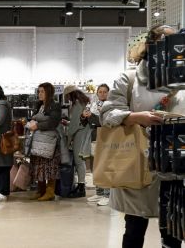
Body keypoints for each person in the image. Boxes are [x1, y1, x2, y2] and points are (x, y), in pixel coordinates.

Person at [101, 25, 183, 248]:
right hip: (139, 165)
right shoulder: (129, 79)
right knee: (135, 229)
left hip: (176, 168)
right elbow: (107, 113)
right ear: (150, 46)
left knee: (173, 233)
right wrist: (135, 117)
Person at [27, 82, 61, 201]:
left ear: (49, 92)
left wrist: (37, 125)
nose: (40, 94)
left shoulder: (54, 105)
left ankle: (50, 191)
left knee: (50, 166)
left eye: (42, 91)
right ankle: (40, 190)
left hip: (49, 141)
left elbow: (53, 122)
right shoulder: (38, 105)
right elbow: (33, 119)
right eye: (39, 91)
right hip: (38, 141)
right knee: (38, 165)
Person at [83, 84, 111, 206]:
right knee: (96, 167)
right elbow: (89, 122)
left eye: (105, 92)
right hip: (94, 138)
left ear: (108, 93)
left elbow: (105, 122)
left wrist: (93, 116)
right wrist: (84, 116)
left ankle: (107, 194)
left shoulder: (111, 106)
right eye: (100, 92)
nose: (102, 94)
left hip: (106, 138)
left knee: (105, 167)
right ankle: (99, 192)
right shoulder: (94, 104)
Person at [63, 85, 91, 198]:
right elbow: (77, 121)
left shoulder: (77, 104)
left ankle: (81, 188)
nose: (67, 98)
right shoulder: (83, 102)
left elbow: (74, 126)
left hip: (79, 135)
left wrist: (68, 140)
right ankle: (80, 186)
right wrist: (68, 123)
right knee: (81, 161)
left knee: (79, 161)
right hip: (84, 133)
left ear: (71, 94)